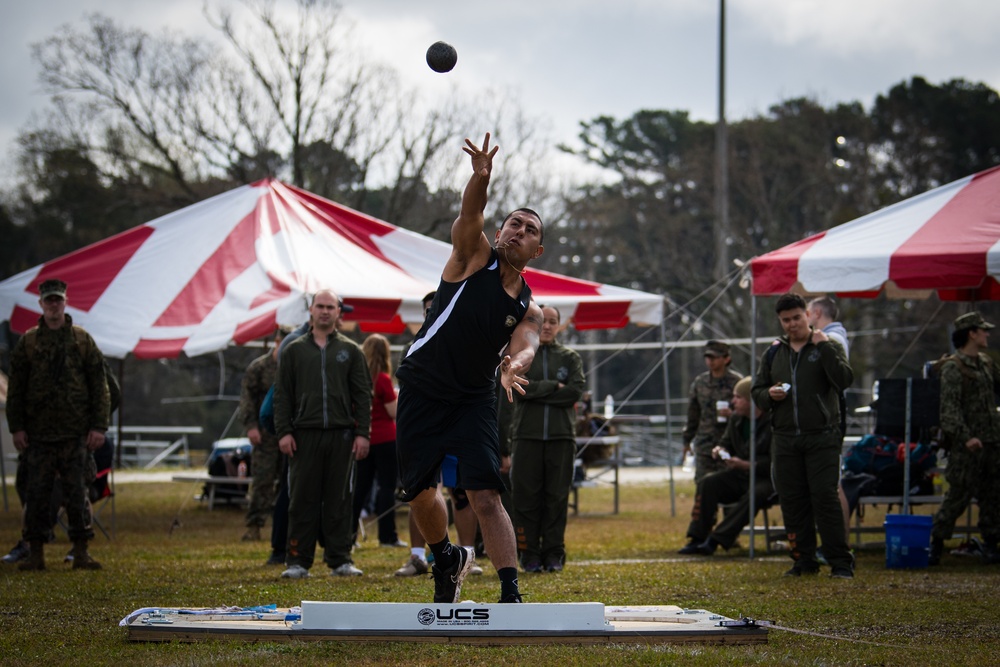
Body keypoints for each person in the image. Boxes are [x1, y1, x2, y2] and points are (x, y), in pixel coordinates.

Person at [395, 132, 544, 604]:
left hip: (474, 397)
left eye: (529, 229)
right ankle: (446, 558)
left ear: (536, 251)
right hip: (423, 384)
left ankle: (510, 593)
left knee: (485, 494)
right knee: (418, 490)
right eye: (513, 224)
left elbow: (528, 345)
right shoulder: (470, 255)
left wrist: (512, 365)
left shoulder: (527, 306)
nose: (518, 231)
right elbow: (471, 213)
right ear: (499, 233)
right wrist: (480, 178)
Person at [6, 278, 110, 571]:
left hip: (75, 434)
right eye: (48, 301)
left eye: (58, 300)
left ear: (65, 303)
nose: (53, 305)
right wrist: (17, 427)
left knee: (78, 494)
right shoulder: (29, 342)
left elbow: (98, 385)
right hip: (38, 435)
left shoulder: (81, 340)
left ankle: (81, 552)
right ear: (40, 304)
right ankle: (35, 552)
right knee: (36, 495)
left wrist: (98, 427)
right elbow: (15, 390)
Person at [751, 292, 854, 578]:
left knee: (824, 497)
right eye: (786, 320)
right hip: (784, 438)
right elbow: (757, 392)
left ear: (808, 315)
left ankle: (841, 562)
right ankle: (803, 560)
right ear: (780, 321)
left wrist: (825, 349)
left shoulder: (827, 345)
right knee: (793, 500)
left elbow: (844, 379)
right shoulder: (773, 352)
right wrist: (768, 395)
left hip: (822, 435)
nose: (792, 324)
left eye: (797, 317)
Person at [273, 289, 371, 578]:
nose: (325, 311)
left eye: (331, 306)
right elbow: (282, 396)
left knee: (339, 498)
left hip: (341, 435)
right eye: (320, 306)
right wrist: (283, 432)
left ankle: (340, 559)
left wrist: (362, 433)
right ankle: (298, 561)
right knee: (301, 498)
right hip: (303, 436)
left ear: (339, 311)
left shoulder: (351, 350)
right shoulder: (293, 350)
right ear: (311, 310)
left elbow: (363, 395)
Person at [509, 305, 585, 573]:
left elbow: (574, 392)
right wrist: (553, 386)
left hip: (561, 438)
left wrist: (537, 391)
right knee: (526, 498)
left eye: (554, 322)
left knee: (556, 498)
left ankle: (554, 553)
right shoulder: (521, 357)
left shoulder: (570, 358)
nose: (548, 326)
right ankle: (529, 553)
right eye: (544, 322)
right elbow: (520, 389)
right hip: (526, 437)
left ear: (560, 326)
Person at [929, 312, 1000, 566]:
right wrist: (966, 437)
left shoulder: (986, 363)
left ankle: (992, 544)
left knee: (993, 496)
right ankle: (935, 545)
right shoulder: (953, 367)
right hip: (967, 447)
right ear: (972, 333)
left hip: (992, 441)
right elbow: (949, 411)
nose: (987, 334)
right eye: (983, 330)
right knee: (957, 496)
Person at [678, 377, 773, 555]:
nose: (733, 401)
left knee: (756, 493)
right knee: (708, 482)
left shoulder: (772, 424)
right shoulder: (737, 420)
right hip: (740, 475)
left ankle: (716, 540)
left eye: (738, 397)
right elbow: (725, 442)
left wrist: (747, 465)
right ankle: (697, 537)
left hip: (766, 478)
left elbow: (776, 463)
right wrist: (720, 449)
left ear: (751, 400)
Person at [806, 295, 853, 552]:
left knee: (832, 484)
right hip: (830, 412)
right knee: (831, 482)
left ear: (815, 313)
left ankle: (839, 545)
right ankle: (837, 543)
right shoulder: (836, 337)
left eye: (804, 313)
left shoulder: (830, 340)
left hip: (830, 413)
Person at [351, 334, 405, 548]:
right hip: (385, 439)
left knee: (360, 489)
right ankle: (387, 536)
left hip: (364, 437)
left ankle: (349, 536)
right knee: (386, 487)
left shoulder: (358, 378)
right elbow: (393, 412)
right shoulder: (382, 379)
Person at [239, 326, 291, 542]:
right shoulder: (259, 367)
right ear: (276, 342)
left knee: (287, 482)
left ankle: (283, 527)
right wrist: (251, 426)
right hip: (265, 433)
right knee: (263, 479)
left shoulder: (295, 365)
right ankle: (254, 524)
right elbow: (247, 399)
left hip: (288, 432)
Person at [682, 340, 742, 483]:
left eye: (715, 357)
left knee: (730, 487)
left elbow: (748, 412)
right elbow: (693, 415)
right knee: (703, 487)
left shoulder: (737, 382)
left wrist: (732, 414)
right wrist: (686, 441)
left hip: (729, 443)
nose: (710, 361)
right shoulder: (700, 383)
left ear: (726, 359)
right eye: (708, 357)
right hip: (705, 445)